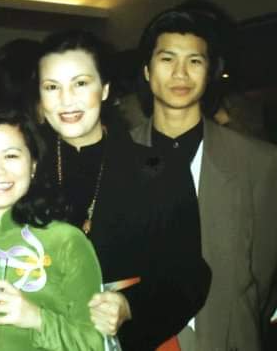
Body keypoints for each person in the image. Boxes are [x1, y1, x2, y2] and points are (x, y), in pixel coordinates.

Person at [33, 30, 211, 350]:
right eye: (52, 87)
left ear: (105, 90)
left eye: (81, 83)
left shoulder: (159, 169)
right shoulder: (23, 172)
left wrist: (131, 307)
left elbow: (190, 277)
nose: (66, 99)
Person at [130, 5, 277, 351]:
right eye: (167, 59)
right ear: (146, 70)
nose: (180, 73)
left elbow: (260, 275)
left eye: (195, 61)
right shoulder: (115, 157)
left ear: (210, 72)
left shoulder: (258, 162)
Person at [0, 104, 104, 350]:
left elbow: (97, 343)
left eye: (11, 155)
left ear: (33, 165)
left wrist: (35, 318)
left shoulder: (66, 240)